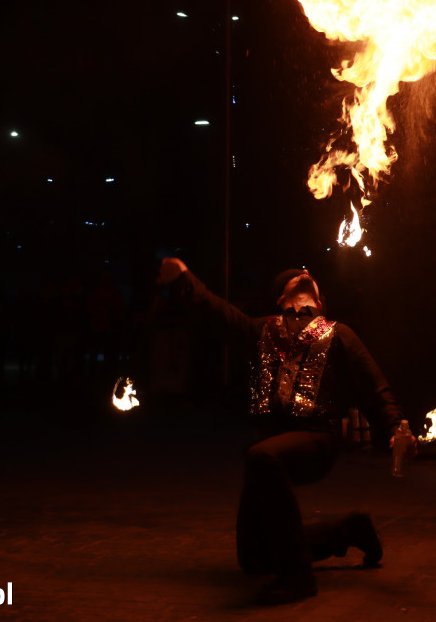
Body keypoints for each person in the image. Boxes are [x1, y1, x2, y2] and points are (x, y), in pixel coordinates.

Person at [156, 258, 413, 604]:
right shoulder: (260, 330)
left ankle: (298, 578)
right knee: (255, 558)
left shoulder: (339, 334)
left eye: (309, 278)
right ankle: (348, 530)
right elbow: (215, 312)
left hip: (317, 439)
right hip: (268, 448)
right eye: (295, 277)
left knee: (261, 457)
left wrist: (397, 428)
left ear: (319, 304)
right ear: (281, 300)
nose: (304, 274)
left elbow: (374, 390)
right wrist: (184, 279)